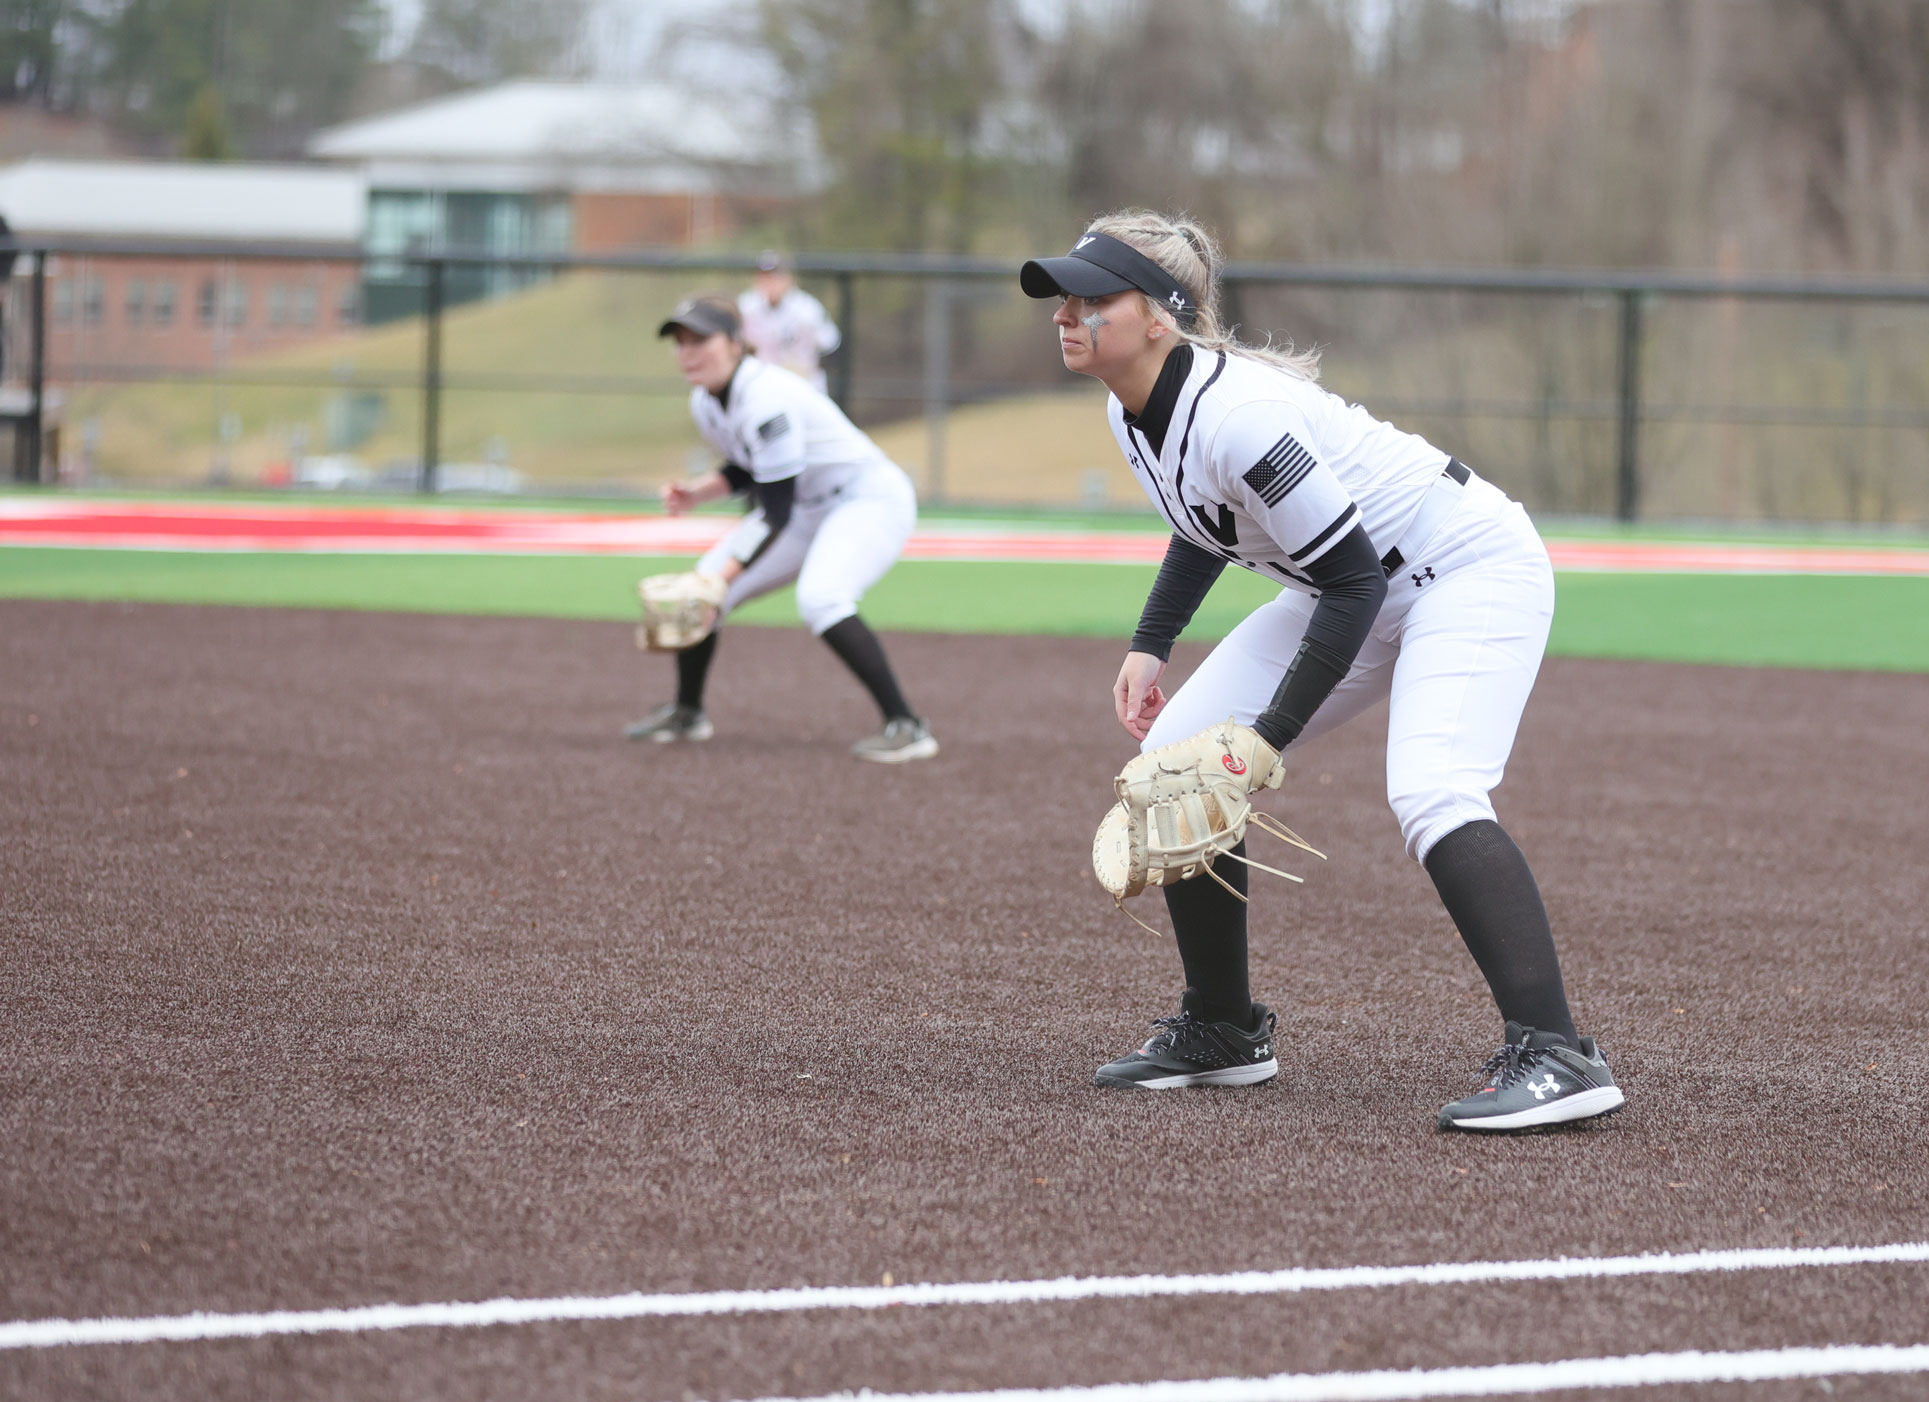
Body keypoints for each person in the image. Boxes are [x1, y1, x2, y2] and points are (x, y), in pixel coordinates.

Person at [1020, 211, 1622, 1131]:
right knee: (1177, 761)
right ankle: (1224, 1030)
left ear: (1161, 318)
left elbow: (1347, 585)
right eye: (1064, 297)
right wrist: (1154, 641)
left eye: (1094, 297)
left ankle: (1558, 1052)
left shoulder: (1241, 415)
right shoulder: (1130, 407)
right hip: (1354, 582)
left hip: (1464, 568)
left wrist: (1265, 741)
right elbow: (1202, 522)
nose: (1068, 314)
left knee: (1432, 789)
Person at [627, 296, 936, 764]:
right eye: (680, 342)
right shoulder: (706, 401)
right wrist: (699, 493)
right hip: (808, 504)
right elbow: (751, 466)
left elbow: (774, 512)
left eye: (700, 340)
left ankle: (907, 725)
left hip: (866, 499)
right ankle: (688, 712)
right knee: (704, 587)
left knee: (820, 597)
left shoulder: (767, 399)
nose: (688, 352)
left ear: (734, 344)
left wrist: (721, 580)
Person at [737, 251, 842, 395]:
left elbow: (830, 345)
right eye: (765, 277)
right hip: (763, 386)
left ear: (789, 279)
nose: (771, 283)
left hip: (804, 386)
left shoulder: (807, 308)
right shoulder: (746, 306)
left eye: (776, 277)